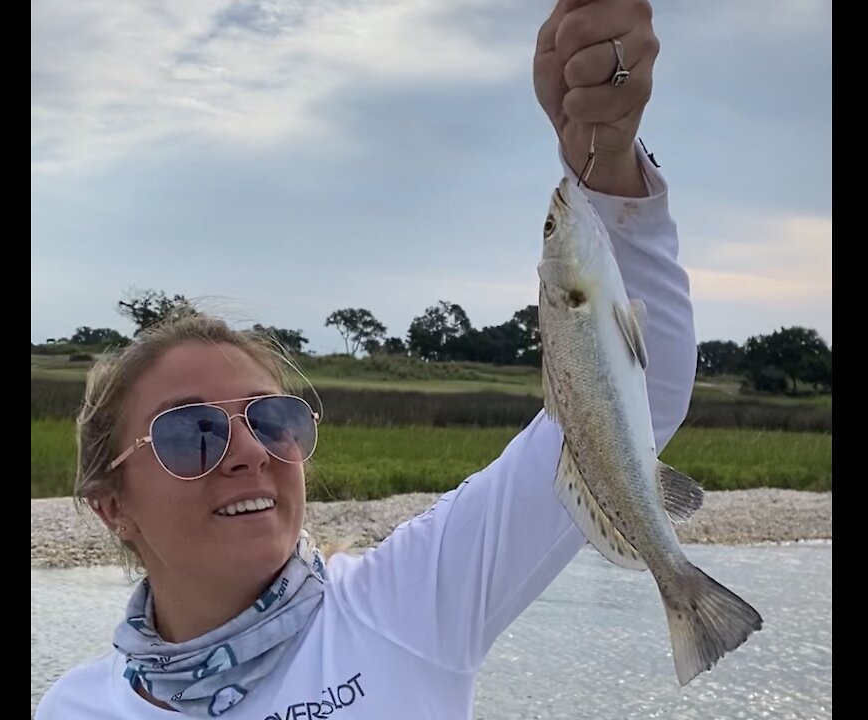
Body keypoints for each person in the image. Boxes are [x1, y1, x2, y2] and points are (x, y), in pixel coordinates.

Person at [35, 0, 696, 717]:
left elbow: (638, 400)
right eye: (189, 432)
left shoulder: (407, 603)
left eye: (275, 419)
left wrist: (608, 160)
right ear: (110, 506)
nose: (250, 452)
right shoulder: (76, 708)